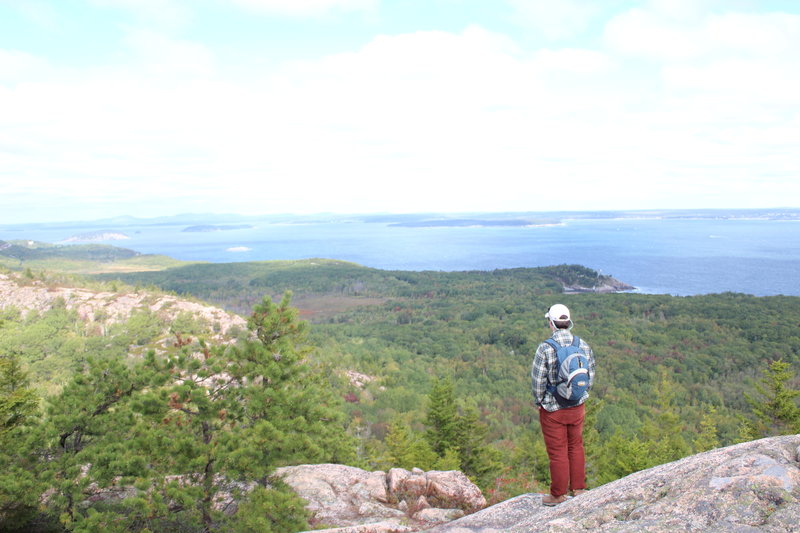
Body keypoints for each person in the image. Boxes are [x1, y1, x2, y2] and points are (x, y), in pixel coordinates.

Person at [531, 303, 595, 506]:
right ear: (568, 323)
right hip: (577, 406)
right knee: (576, 446)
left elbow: (538, 379)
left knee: (557, 451)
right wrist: (580, 395)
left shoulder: (545, 348)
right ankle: (578, 488)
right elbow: (589, 376)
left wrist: (539, 401)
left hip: (553, 409)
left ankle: (557, 495)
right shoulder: (582, 344)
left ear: (551, 323)